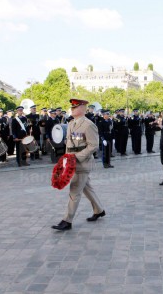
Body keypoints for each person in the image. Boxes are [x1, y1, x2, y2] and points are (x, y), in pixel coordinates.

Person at [51, 98, 105, 231]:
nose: (72, 109)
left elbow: (93, 146)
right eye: (72, 107)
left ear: (82, 108)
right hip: (71, 161)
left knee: (74, 191)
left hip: (82, 163)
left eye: (75, 107)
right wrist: (65, 159)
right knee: (87, 188)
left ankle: (67, 221)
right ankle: (99, 210)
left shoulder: (89, 125)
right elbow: (69, 145)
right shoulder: (70, 124)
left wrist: (77, 157)